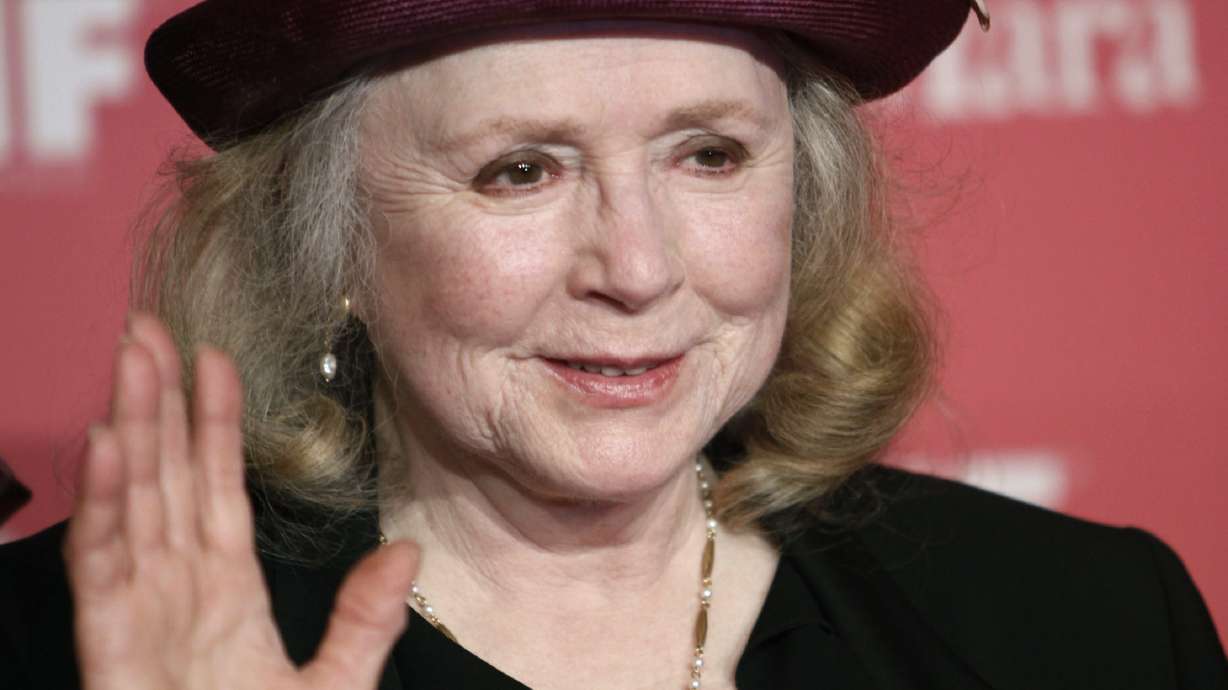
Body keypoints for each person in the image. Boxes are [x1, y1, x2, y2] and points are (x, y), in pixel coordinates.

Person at [1, 1, 1225, 689]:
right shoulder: (56, 651)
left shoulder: (1091, 628)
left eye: (709, 155)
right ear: (333, 253)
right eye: (519, 171)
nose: (635, 268)